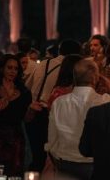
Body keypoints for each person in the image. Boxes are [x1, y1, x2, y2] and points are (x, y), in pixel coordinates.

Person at [47, 59, 110, 180]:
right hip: (94, 164)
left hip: (64, 162)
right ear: (95, 78)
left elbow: (52, 138)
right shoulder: (105, 101)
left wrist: (57, 156)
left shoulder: (59, 102)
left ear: (75, 77)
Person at [25, 40, 81, 172]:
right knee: (48, 156)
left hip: (33, 111)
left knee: (36, 154)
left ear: (60, 51)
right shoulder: (72, 69)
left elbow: (27, 86)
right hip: (51, 114)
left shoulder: (45, 63)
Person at [0, 54, 33, 176]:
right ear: (1, 69)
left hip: (16, 137)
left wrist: (32, 110)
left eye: (16, 68)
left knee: (14, 173)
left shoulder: (24, 92)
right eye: (9, 68)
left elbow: (26, 119)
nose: (13, 71)